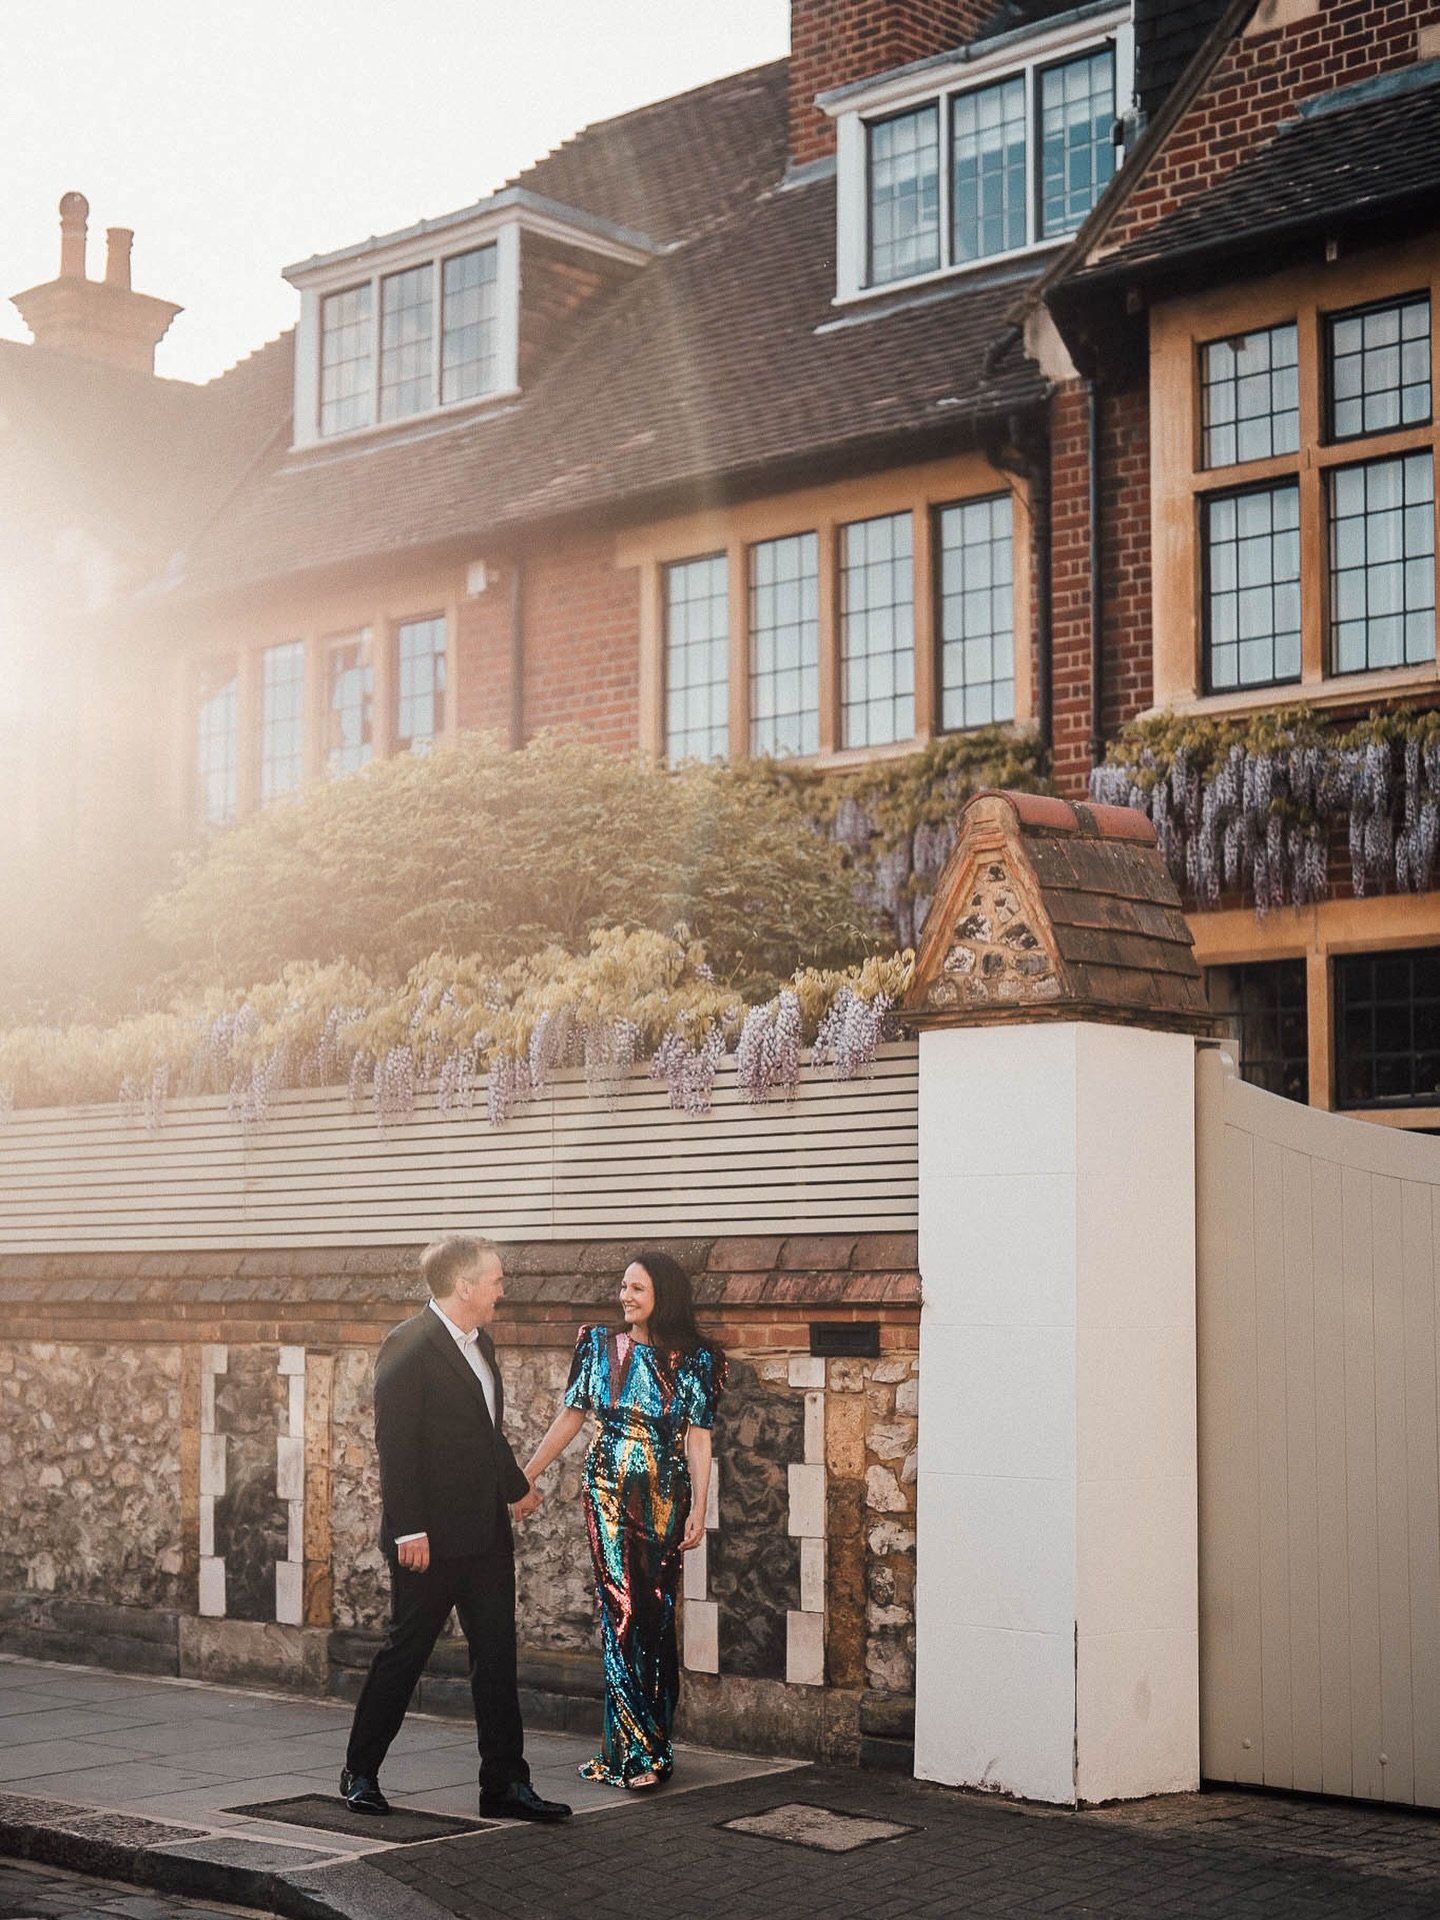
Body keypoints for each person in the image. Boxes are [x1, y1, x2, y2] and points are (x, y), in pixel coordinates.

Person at [340, 1234, 571, 1824]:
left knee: (496, 1658)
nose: (502, 1289)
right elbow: (396, 1446)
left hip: (485, 1533)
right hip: (430, 1541)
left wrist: (517, 1488)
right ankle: (359, 1771)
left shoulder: (481, 1344)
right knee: (406, 1653)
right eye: (495, 1279)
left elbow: (483, 1432)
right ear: (464, 1285)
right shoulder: (408, 1345)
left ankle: (504, 1783)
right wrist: (409, 1529)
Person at [523, 1250, 725, 1790]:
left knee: (656, 1613)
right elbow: (572, 1414)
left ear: (664, 1296)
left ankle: (654, 1746)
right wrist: (527, 1475)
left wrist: (699, 1510)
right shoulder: (598, 1345)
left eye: (637, 1288)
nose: (625, 1297)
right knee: (622, 1607)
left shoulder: (696, 1359)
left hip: (665, 1491)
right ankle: (631, 1754)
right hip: (607, 1484)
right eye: (623, 1287)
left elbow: (699, 1440)